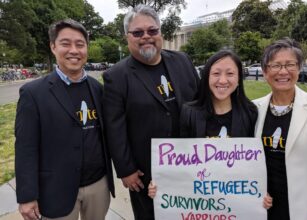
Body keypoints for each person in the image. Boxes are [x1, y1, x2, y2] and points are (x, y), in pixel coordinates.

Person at [102, 4, 199, 219]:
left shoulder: (182, 61)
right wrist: (126, 169)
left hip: (191, 165)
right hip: (146, 173)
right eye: (138, 32)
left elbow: (201, 104)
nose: (146, 36)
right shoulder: (116, 77)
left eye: (152, 30)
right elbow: (114, 128)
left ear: (160, 33)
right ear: (128, 37)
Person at [15, 19, 115, 220]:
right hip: (56, 189)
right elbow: (25, 147)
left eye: (80, 44)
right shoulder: (33, 93)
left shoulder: (98, 89)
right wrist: (27, 196)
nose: (74, 50)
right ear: (53, 47)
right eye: (65, 43)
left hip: (98, 186)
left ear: (86, 48)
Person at [148, 49, 272, 209]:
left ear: (239, 77)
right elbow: (179, 161)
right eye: (216, 73)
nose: (223, 80)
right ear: (206, 76)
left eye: (230, 74)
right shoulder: (189, 112)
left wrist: (260, 193)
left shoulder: (251, 113)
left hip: (235, 205)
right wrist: (163, 186)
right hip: (199, 204)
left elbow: (254, 165)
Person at [254, 37, 307, 220]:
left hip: (305, 207)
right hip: (263, 206)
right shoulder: (254, 109)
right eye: (275, 65)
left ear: (299, 68)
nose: (283, 71)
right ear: (265, 72)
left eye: (290, 64)